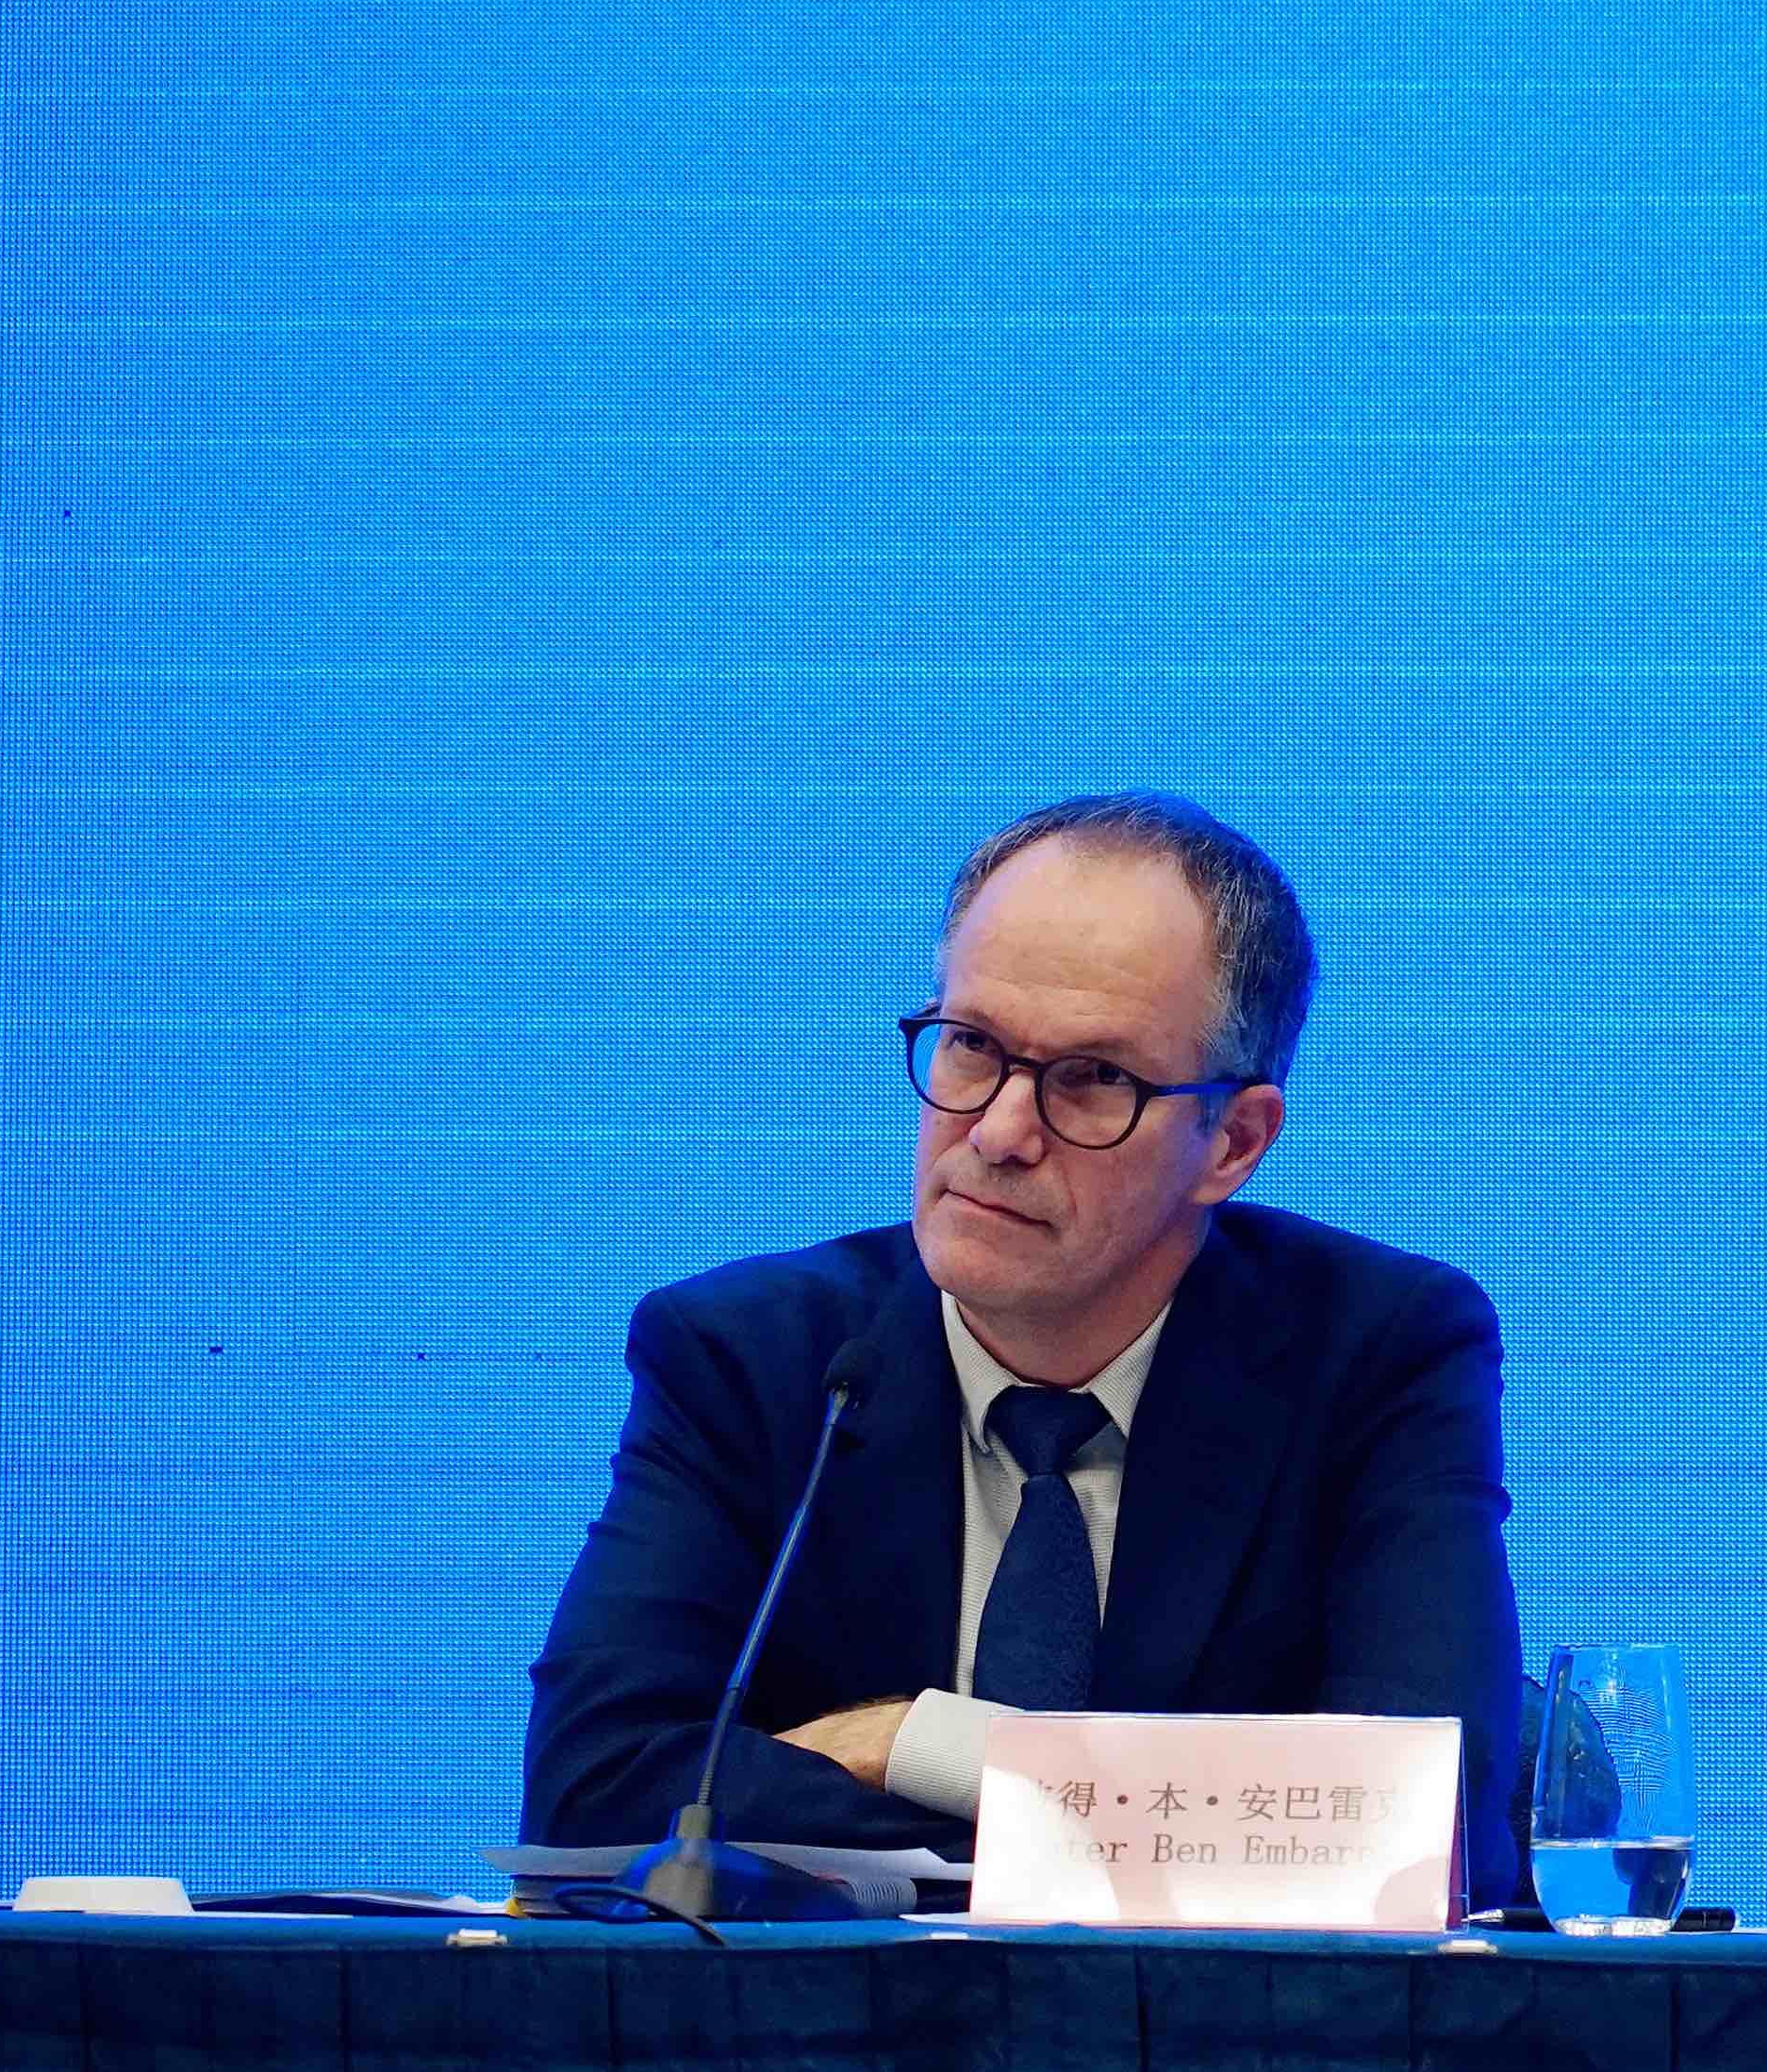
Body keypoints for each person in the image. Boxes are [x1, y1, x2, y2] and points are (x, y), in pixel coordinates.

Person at [522, 793, 1524, 1908]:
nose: (998, 1132)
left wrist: (922, 1742)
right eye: (972, 1047)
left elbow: (1426, 1826)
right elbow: (596, 1789)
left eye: (1093, 1079)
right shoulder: (748, 1359)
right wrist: (1136, 1831)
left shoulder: (1376, 1353)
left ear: (1232, 1142)